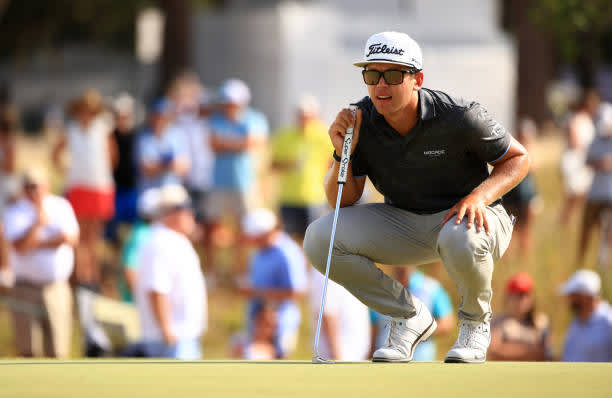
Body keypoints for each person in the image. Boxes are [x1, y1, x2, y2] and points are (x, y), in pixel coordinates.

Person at [303, 31, 528, 363]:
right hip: (405, 222)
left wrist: (480, 197)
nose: (381, 85)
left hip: (473, 218)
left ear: (417, 79)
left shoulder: (459, 114)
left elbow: (518, 159)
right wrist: (342, 154)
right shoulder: (359, 120)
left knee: (460, 236)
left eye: (393, 74)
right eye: (372, 74)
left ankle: (475, 324)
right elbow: (344, 200)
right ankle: (409, 316)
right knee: (320, 238)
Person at [2, 168, 79, 358]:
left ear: (46, 185)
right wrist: (37, 223)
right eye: (29, 187)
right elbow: (19, 246)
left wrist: (37, 243)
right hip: (25, 287)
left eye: (36, 186)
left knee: (58, 349)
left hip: (56, 287)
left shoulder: (61, 206)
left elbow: (69, 238)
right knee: (28, 350)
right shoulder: (15, 211)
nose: (33, 191)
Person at [53, 89, 116, 290]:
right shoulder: (71, 130)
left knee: (94, 237)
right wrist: (66, 169)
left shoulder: (102, 129)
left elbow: (112, 157)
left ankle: (93, 278)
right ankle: (82, 280)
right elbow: (56, 153)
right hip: (80, 187)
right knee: (80, 237)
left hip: (99, 187)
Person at [136, 184, 207, 360]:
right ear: (171, 212)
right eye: (186, 208)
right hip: (171, 340)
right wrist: (167, 332)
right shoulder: (161, 242)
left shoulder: (173, 240)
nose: (191, 214)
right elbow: (157, 289)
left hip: (181, 337)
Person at [206, 79, 269, 277]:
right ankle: (212, 270)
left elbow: (254, 144)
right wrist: (239, 143)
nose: (228, 106)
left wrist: (226, 143)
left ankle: (240, 271)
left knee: (245, 229)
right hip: (219, 182)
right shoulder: (216, 119)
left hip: (245, 183)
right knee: (212, 228)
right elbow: (213, 145)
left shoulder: (254, 119)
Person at [237, 208, 307, 357]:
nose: (254, 242)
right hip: (258, 323)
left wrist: (256, 293)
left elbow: (297, 291)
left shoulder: (288, 252)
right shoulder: (260, 251)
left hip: (280, 324)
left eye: (257, 238)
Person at [271, 95, 332, 242]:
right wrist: (289, 164)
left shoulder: (325, 135)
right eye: (302, 115)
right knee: (288, 239)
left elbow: (334, 163)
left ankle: (309, 266)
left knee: (312, 240)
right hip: (289, 197)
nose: (305, 119)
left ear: (316, 115)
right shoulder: (284, 135)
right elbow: (273, 165)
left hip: (315, 197)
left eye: (308, 115)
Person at [370, 267, 455, 361]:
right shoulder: (380, 289)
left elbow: (447, 324)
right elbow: (374, 329)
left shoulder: (431, 288)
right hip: (384, 360)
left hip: (420, 362)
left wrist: (412, 331)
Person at [310, 266, 371, 361]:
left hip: (353, 357)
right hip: (339, 359)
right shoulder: (327, 268)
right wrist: (337, 358)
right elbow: (327, 315)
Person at [577, 103, 612, 267]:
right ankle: (581, 262)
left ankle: (604, 264)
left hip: (610, 194)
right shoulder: (596, 139)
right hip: (596, 194)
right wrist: (599, 164)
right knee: (587, 229)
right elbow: (587, 160)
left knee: (608, 233)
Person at [488, 272, 551, 361]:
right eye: (519, 295)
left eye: (527, 295)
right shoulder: (499, 322)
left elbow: (545, 353)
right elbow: (494, 352)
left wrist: (508, 348)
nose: (523, 300)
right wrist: (529, 350)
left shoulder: (540, 321)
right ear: (508, 297)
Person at [559, 90, 599, 227]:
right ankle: (564, 222)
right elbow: (574, 141)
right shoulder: (575, 119)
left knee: (585, 194)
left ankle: (581, 223)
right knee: (573, 195)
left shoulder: (589, 120)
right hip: (574, 161)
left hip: (584, 161)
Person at [503, 119, 540, 260]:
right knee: (509, 229)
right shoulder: (511, 148)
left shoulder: (530, 151)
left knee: (526, 230)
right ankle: (510, 259)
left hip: (526, 196)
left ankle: (523, 258)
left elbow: (532, 168)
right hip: (512, 195)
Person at [106, 93, 140, 244]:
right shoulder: (110, 136)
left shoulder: (136, 136)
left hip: (132, 189)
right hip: (115, 189)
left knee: (134, 230)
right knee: (113, 232)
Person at [137, 98, 190, 191]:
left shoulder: (178, 134)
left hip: (173, 189)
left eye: (163, 116)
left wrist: (159, 165)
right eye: (157, 116)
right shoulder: (143, 137)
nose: (160, 119)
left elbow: (184, 167)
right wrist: (168, 165)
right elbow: (145, 169)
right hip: (149, 191)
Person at [118, 187, 161, 303]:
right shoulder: (141, 235)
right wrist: (141, 301)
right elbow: (130, 270)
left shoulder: (146, 232)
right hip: (136, 308)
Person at [560, 269, 612, 362]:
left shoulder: (608, 322)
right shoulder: (576, 322)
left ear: (584, 296)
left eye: (572, 295)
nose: (568, 299)